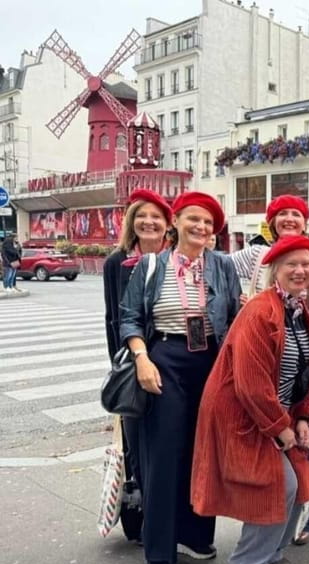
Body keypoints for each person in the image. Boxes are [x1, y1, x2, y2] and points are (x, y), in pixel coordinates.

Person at [119, 191, 241, 564]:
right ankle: (159, 549)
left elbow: (236, 316)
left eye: (207, 223)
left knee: (203, 451)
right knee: (164, 454)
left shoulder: (221, 265)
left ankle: (196, 534)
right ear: (176, 223)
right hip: (164, 360)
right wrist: (142, 359)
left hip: (209, 362)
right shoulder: (152, 265)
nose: (201, 227)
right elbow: (129, 317)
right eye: (193, 219)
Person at [192, 235, 309, 564]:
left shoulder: (295, 308)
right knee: (279, 484)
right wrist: (281, 427)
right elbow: (250, 382)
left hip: (273, 412)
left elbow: (302, 371)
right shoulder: (261, 310)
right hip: (244, 414)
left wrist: (304, 415)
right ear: (275, 271)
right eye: (291, 264)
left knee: (298, 478)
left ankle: (271, 552)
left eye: (305, 264)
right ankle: (246, 562)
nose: (299, 270)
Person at [230, 194, 309, 543]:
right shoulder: (254, 255)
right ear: (272, 222)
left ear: (305, 220)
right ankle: (266, 517)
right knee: (264, 439)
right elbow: (219, 269)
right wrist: (245, 304)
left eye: (296, 214)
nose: (290, 219)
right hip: (266, 351)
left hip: (304, 354)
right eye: (283, 215)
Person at [103, 189, 172, 543]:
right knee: (135, 443)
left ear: (166, 225)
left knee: (168, 442)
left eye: (156, 217)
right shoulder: (117, 263)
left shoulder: (175, 261)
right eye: (142, 216)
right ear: (132, 221)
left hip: (170, 363)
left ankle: (168, 516)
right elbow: (113, 317)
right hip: (134, 364)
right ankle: (143, 515)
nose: (149, 222)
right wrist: (122, 371)